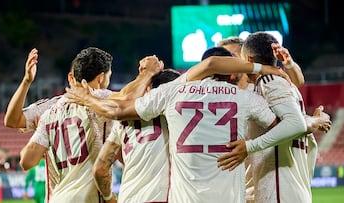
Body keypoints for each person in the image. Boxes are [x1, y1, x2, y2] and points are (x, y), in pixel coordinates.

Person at [65, 56, 311, 202]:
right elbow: (287, 126)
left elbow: (116, 111)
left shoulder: (169, 96)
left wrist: (86, 99)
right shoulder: (239, 98)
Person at [19, 47, 163, 203]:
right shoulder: (98, 98)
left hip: (58, 197)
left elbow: (26, 161)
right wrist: (146, 74)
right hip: (89, 197)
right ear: (101, 78)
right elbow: (126, 98)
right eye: (109, 77)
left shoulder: (50, 113)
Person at [210, 31, 331, 203]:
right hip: (251, 186)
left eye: (232, 57)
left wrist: (288, 63)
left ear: (247, 58)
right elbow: (294, 120)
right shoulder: (234, 95)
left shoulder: (267, 84)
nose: (229, 64)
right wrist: (314, 120)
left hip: (274, 187)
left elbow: (293, 122)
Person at [92, 69, 180, 203]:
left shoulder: (122, 120)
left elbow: (100, 169)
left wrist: (109, 198)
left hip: (129, 198)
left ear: (149, 89)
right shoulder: (179, 117)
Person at [217, 36, 305, 89]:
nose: (226, 62)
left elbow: (297, 83)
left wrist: (289, 64)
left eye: (231, 56)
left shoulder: (262, 81)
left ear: (245, 57)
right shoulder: (214, 86)